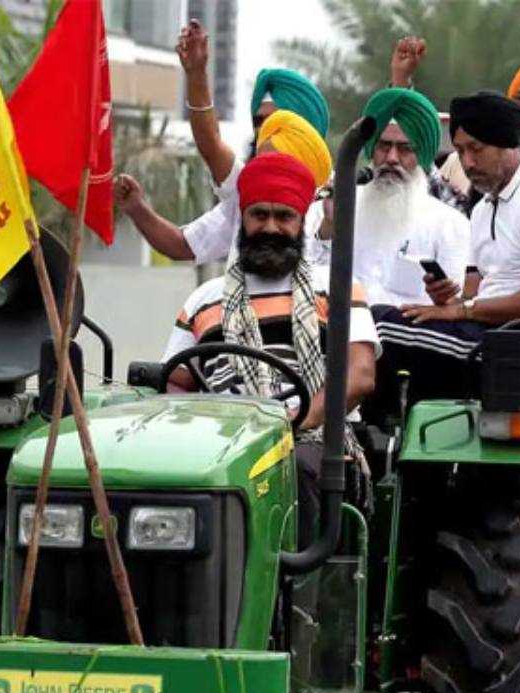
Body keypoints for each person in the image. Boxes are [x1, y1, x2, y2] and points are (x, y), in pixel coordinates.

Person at [162, 153, 379, 529]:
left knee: (293, 469)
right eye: (259, 215)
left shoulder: (337, 287)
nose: (271, 228)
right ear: (243, 219)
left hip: (311, 436)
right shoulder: (204, 299)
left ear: (300, 223)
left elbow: (359, 377)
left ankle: (297, 584)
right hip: (220, 438)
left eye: (284, 217)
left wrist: (290, 425)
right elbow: (173, 383)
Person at [373, 91, 520, 404]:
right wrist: (446, 298)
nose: (467, 163)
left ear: (508, 144)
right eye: (460, 151)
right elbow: (474, 296)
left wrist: (461, 310)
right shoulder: (483, 207)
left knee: (377, 326)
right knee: (382, 324)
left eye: (476, 149)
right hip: (490, 338)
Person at [115, 20, 331, 264]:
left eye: (276, 122)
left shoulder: (342, 200)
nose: (263, 133)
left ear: (307, 130)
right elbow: (182, 244)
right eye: (259, 122)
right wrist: (136, 207)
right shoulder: (248, 192)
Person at [305, 87, 470, 311]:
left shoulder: (451, 224)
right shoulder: (330, 206)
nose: (392, 158)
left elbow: (453, 304)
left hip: (407, 339)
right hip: (337, 336)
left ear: (421, 155)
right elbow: (308, 280)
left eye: (405, 149)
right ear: (371, 149)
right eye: (383, 146)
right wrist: (330, 225)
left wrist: (445, 298)